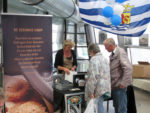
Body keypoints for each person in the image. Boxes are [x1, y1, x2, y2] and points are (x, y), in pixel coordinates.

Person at [104, 38, 132, 113]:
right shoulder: (113, 54)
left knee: (121, 109)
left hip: (120, 86)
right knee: (116, 107)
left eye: (105, 46)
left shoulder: (120, 52)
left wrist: (123, 83)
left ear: (110, 46)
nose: (105, 49)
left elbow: (128, 68)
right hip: (114, 86)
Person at [85, 43, 111, 113]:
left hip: (97, 89)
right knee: (100, 106)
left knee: (94, 108)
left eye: (90, 53)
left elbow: (94, 77)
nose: (90, 54)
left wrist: (91, 91)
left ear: (92, 51)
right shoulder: (105, 58)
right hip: (104, 88)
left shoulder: (94, 59)